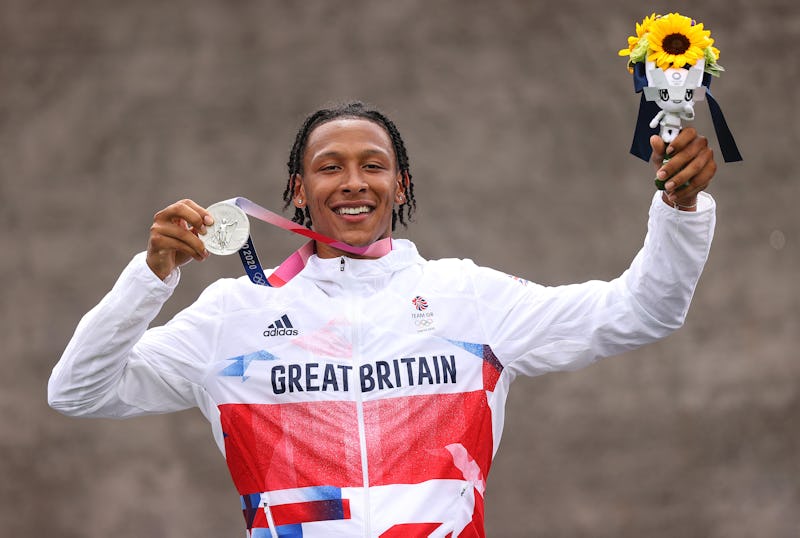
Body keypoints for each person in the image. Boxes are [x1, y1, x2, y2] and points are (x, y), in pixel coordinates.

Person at [48, 101, 717, 538]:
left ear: (402, 185)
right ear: (296, 191)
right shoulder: (236, 313)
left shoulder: (468, 296)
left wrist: (681, 211)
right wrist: (151, 276)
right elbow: (77, 390)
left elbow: (645, 309)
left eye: (374, 166)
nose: (353, 183)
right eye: (328, 168)